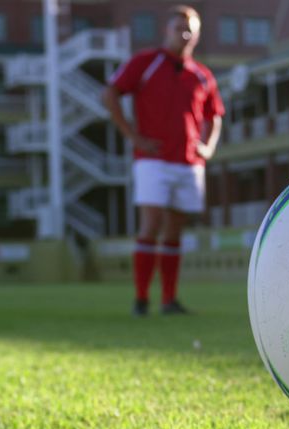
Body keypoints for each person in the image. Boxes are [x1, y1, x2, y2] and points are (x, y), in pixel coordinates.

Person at [102, 5, 224, 316]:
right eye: (178, 28)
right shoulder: (146, 62)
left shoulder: (203, 75)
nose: (183, 34)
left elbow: (215, 116)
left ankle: (169, 300)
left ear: (197, 35)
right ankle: (141, 299)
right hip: (152, 158)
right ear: (166, 31)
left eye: (190, 30)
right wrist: (133, 137)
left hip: (188, 162)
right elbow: (111, 94)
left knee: (174, 231)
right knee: (151, 224)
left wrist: (207, 147)